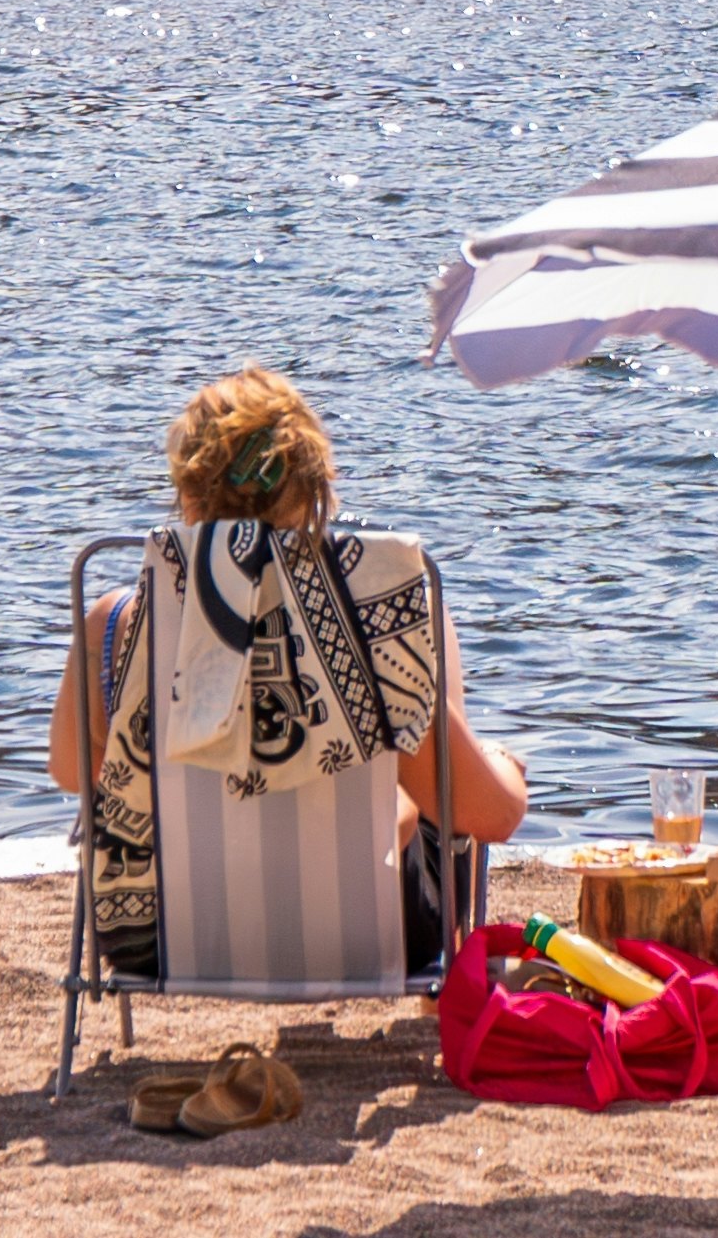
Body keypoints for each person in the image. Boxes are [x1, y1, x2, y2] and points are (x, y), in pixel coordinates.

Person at [51, 368, 527, 978]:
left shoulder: (115, 625)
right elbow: (493, 818)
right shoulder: (377, 627)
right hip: (365, 934)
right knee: (427, 637)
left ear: (188, 494)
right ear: (312, 488)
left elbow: (74, 772)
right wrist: (500, 768)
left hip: (162, 940)